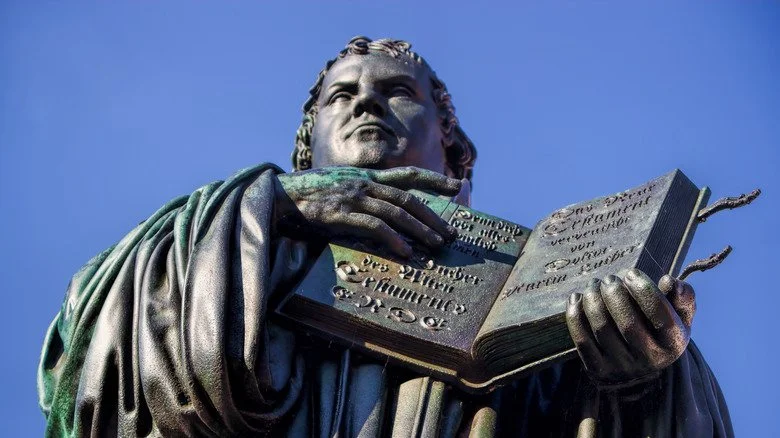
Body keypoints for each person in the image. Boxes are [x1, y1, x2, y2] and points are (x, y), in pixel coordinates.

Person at [38, 36, 733, 437]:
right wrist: (273, 204)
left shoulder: (536, 277)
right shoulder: (236, 233)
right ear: (308, 151)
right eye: (341, 95)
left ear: (453, 146)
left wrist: (644, 378)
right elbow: (87, 345)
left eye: (399, 91)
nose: (366, 101)